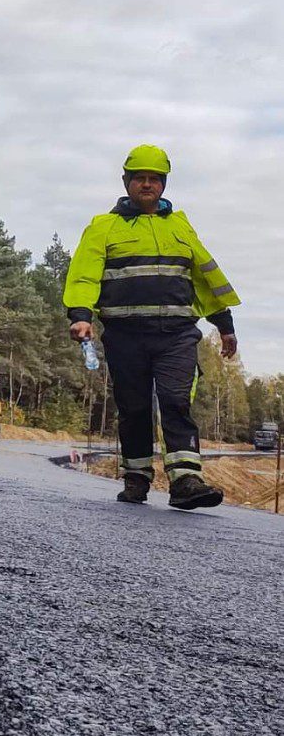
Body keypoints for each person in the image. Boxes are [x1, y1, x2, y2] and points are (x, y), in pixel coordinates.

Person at [63, 145, 240, 510]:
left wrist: (224, 324)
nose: (147, 185)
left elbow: (205, 276)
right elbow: (83, 275)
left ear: (163, 184)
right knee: (135, 407)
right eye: (140, 178)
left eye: (154, 179)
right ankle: (136, 476)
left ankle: (186, 480)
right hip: (126, 336)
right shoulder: (103, 227)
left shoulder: (180, 225)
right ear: (127, 182)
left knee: (176, 401)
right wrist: (80, 315)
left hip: (176, 335)